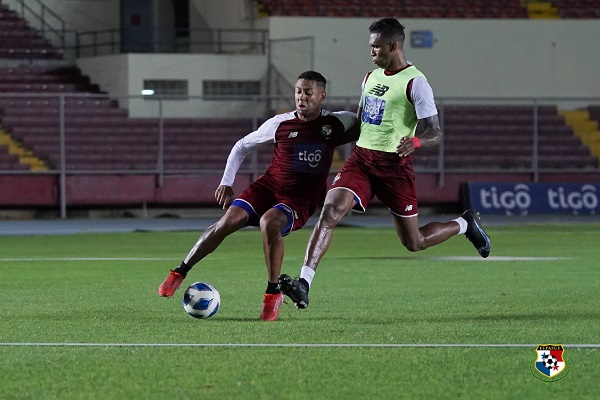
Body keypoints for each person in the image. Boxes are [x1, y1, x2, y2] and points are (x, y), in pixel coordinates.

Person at [278, 18, 491, 310]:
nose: (372, 52)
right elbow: (362, 120)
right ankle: (304, 284)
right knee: (329, 212)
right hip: (362, 161)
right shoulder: (369, 78)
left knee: (414, 242)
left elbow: (435, 131)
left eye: (376, 47)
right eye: (370, 47)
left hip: (395, 168)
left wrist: (415, 142)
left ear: (393, 46)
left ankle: (465, 223)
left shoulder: (416, 83)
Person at [158, 70, 359, 321]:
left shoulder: (339, 123)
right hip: (268, 186)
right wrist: (226, 182)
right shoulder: (280, 123)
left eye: (308, 92)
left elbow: (368, 127)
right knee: (229, 220)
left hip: (300, 198)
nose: (301, 97)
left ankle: (272, 293)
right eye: (298, 91)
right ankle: (180, 271)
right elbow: (242, 145)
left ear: (322, 96)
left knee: (269, 222)